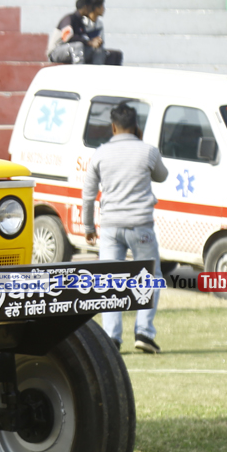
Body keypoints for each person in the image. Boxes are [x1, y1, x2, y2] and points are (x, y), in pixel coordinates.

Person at [82, 102, 168, 353]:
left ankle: (112, 337)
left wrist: (89, 226)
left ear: (113, 127)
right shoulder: (148, 151)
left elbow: (88, 195)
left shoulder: (100, 154)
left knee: (110, 279)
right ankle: (144, 332)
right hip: (140, 226)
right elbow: (162, 175)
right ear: (137, 127)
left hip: (110, 226)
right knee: (150, 276)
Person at [47, 0, 93, 65]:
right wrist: (88, 42)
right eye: (91, 8)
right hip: (56, 52)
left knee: (96, 50)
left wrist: (93, 42)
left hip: (72, 51)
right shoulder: (69, 18)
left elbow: (84, 38)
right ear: (86, 7)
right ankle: (79, 70)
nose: (91, 10)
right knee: (78, 46)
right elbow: (67, 36)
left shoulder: (81, 22)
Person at [84, 0, 123, 66]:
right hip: (85, 50)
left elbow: (101, 41)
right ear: (96, 8)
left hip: (96, 49)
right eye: (102, 7)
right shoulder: (83, 22)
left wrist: (99, 42)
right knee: (99, 52)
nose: (104, 9)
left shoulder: (99, 24)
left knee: (116, 54)